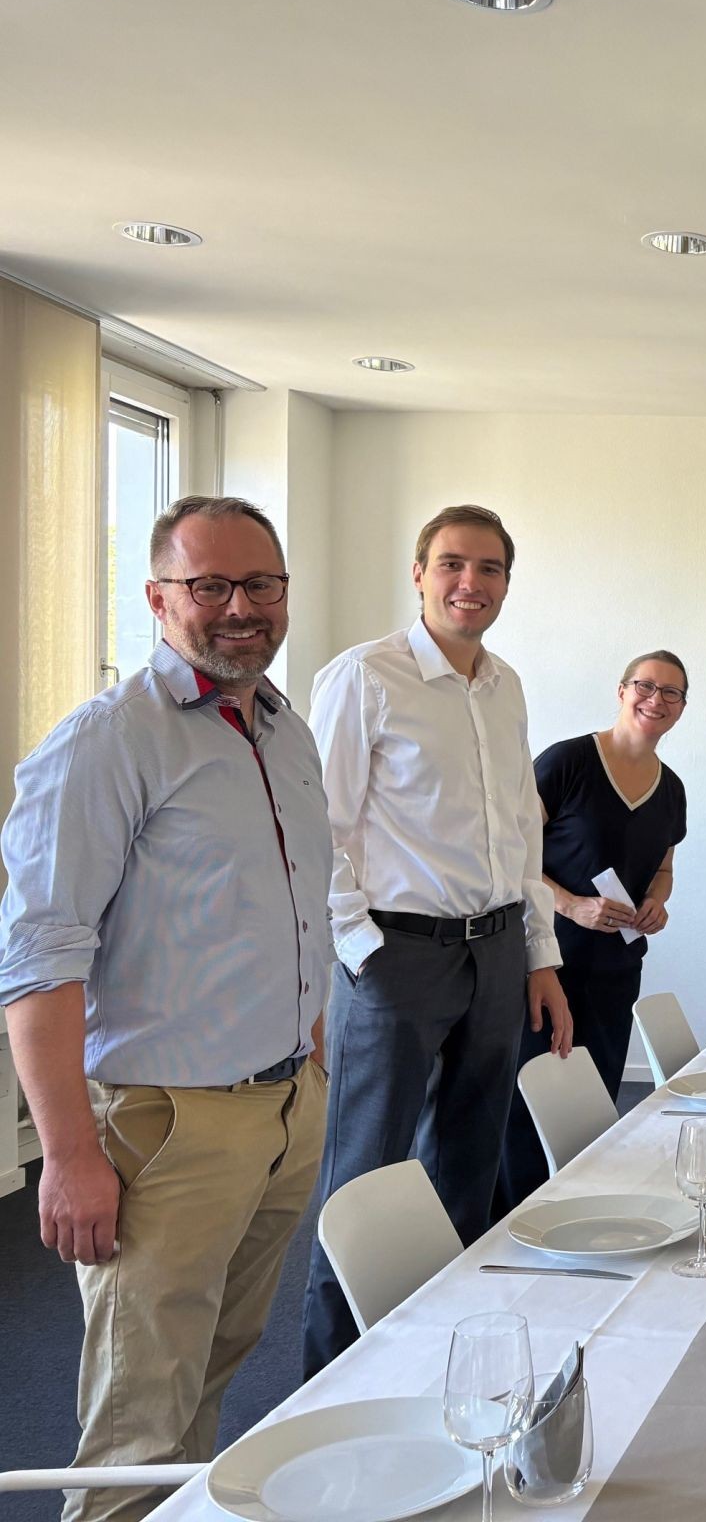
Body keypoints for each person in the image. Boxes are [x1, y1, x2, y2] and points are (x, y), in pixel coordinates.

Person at [0, 497, 330, 1522]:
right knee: (138, 1427)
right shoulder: (106, 742)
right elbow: (39, 959)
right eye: (209, 585)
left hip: (283, 1108)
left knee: (213, 1374)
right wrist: (66, 1155)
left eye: (260, 583)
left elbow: (293, 908)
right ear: (156, 599)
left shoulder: (283, 731)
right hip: (167, 1126)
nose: (240, 607)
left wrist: (311, 1046)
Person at [301, 504, 571, 1376]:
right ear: (418, 573)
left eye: (489, 568)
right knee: (367, 1187)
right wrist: (361, 951)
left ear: (506, 584)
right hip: (398, 956)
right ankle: (333, 1386)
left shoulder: (506, 686)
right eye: (452, 563)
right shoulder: (364, 676)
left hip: (495, 952)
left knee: (467, 1172)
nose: (470, 582)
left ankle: (436, 1370)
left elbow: (522, 835)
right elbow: (319, 828)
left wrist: (539, 956)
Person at [495, 651, 690, 1215]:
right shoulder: (568, 762)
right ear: (622, 690)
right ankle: (510, 1225)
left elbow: (663, 869)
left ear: (681, 708)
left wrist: (657, 902)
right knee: (528, 1100)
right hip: (544, 960)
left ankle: (578, 1216)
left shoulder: (671, 790)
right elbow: (512, 853)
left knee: (596, 1102)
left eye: (671, 692)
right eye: (645, 685)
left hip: (616, 967)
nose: (656, 699)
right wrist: (571, 904)